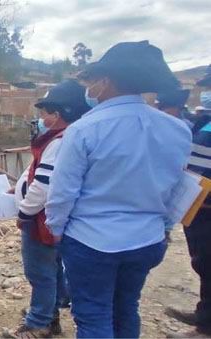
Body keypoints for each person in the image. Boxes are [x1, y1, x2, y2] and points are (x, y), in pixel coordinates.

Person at [44, 41, 192, 338]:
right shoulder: (177, 130)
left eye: (93, 81)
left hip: (91, 241)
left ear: (106, 81)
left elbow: (62, 193)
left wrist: (56, 229)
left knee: (93, 315)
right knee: (126, 307)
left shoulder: (84, 130)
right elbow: (177, 188)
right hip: (146, 239)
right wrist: (162, 227)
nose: (91, 87)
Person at [7, 79, 89, 338]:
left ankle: (39, 323)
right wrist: (19, 186)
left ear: (59, 113)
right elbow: (38, 174)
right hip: (51, 218)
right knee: (51, 270)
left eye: (44, 113)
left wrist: (24, 212)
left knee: (40, 272)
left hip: (41, 220)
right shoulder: (61, 139)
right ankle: (48, 315)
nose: (40, 118)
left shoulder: (59, 142)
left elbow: (45, 185)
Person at [165, 64, 211, 337]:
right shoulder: (203, 121)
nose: (205, 93)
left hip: (206, 204)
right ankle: (205, 313)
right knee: (204, 263)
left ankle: (205, 328)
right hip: (199, 205)